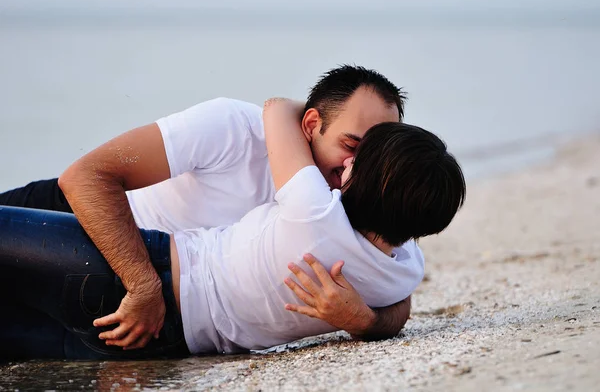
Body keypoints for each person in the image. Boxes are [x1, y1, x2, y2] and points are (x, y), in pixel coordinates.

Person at [0, 98, 466, 360]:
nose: (348, 162)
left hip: (138, 276)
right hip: (172, 343)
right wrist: (363, 321)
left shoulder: (312, 214)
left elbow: (277, 108)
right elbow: (401, 302)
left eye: (358, 157)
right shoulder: (401, 270)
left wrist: (319, 117)